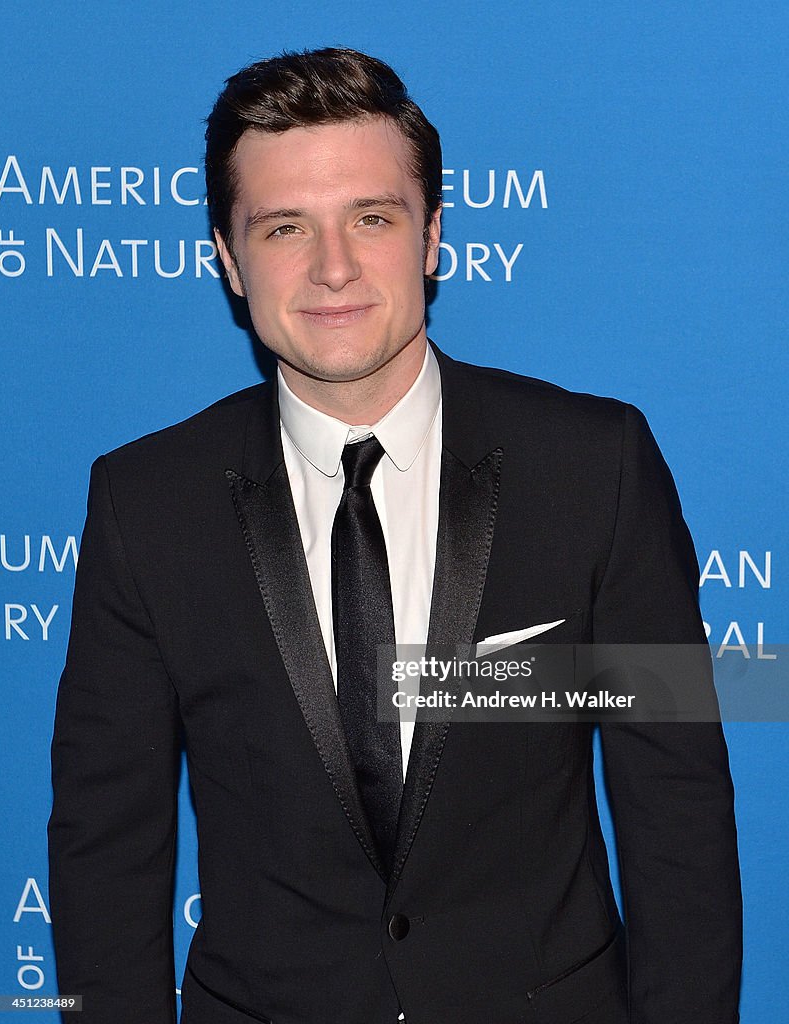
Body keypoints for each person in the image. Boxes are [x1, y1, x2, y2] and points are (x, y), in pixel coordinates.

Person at [48, 47, 742, 1024]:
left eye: (372, 218)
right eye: (285, 227)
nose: (333, 267)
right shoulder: (144, 501)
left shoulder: (596, 465)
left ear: (432, 237)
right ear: (226, 258)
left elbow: (678, 817)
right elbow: (105, 855)